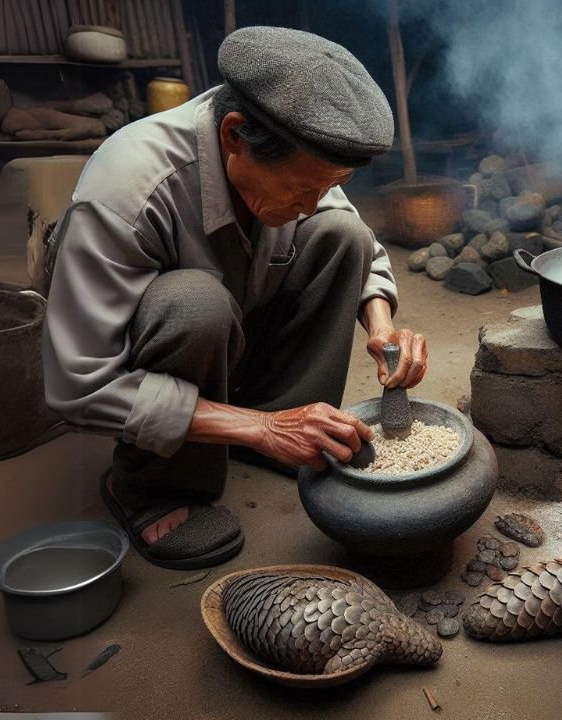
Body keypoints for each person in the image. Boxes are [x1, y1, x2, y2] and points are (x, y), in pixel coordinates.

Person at [40, 26, 428, 570]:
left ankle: (275, 418)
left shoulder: (292, 150)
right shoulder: (127, 190)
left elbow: (354, 234)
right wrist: (262, 429)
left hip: (240, 332)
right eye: (300, 188)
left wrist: (381, 325)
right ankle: (154, 486)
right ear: (234, 135)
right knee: (195, 303)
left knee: (346, 237)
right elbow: (75, 383)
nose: (310, 202)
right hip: (164, 344)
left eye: (326, 184)